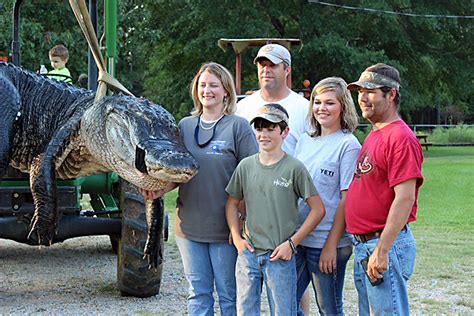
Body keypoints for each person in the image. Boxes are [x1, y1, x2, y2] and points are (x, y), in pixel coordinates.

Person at [142, 62, 258, 316]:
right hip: (189, 227)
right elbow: (179, 173)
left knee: (228, 295)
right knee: (198, 293)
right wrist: (161, 190)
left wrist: (241, 222)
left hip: (225, 230)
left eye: (214, 85)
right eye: (203, 85)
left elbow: (253, 177)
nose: (208, 90)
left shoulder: (238, 127)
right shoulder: (184, 126)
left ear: (226, 91)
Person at [225, 103, 326, 315]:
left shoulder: (294, 168)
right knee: (245, 310)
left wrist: (292, 243)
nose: (264, 134)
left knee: (283, 311)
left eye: (271, 128)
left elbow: (318, 210)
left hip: (280, 257)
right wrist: (237, 237)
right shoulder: (245, 166)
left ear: (285, 132)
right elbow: (232, 203)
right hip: (249, 254)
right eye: (260, 128)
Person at [345, 63, 424, 315]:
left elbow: (405, 198)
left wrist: (383, 249)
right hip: (365, 245)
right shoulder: (376, 132)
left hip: (382, 244)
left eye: (370, 91)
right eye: (359, 92)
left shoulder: (400, 138)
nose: (363, 98)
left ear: (391, 94)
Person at [294, 77, 361, 315]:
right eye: (317, 102)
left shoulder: (348, 144)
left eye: (330, 103)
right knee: (287, 302)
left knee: (329, 309)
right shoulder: (305, 140)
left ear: (343, 106)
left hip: (326, 242)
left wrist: (331, 245)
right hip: (299, 238)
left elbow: (347, 199)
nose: (322, 108)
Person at [236, 43, 309, 156]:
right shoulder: (241, 108)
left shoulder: (305, 109)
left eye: (272, 65)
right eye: (262, 65)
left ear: (287, 70)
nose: (266, 70)